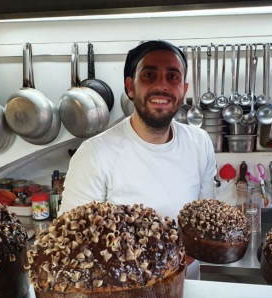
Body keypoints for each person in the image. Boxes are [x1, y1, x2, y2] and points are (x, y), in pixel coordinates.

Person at [61, 40, 217, 221]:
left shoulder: (200, 143)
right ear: (130, 87)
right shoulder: (94, 154)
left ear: (184, 91)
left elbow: (206, 220)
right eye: (149, 75)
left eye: (173, 77)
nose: (161, 86)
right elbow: (69, 240)